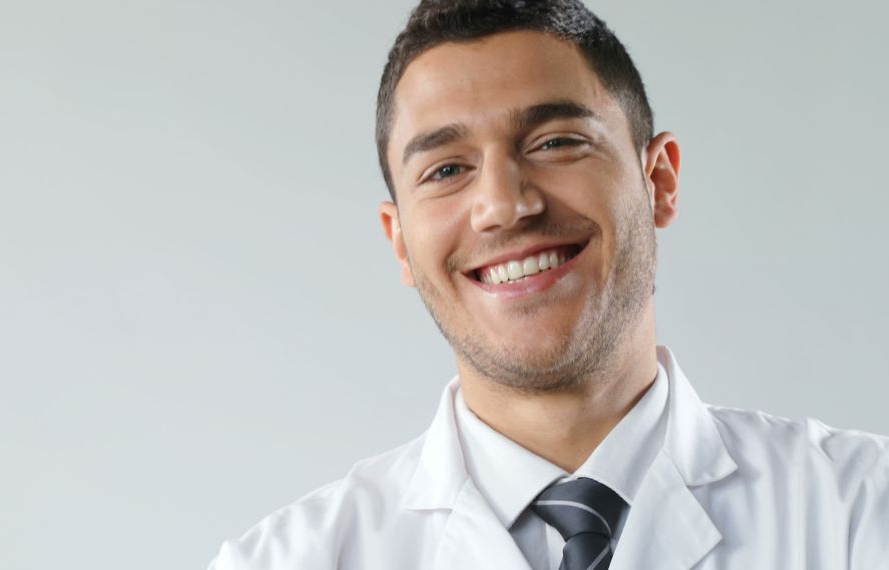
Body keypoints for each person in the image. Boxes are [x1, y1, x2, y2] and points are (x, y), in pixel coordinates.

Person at [208, 0, 889, 568]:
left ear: (660, 182)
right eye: (446, 170)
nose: (504, 205)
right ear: (400, 243)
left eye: (556, 141)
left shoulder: (862, 510)